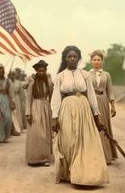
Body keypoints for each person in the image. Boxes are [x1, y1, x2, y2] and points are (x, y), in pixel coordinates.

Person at [51, 46, 108, 186]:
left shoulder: (85, 75)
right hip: (66, 108)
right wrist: (54, 117)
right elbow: (56, 97)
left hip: (83, 108)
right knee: (68, 140)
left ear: (78, 58)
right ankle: (68, 173)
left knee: (84, 141)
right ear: (65, 58)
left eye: (75, 56)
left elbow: (91, 96)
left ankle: (82, 174)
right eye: (69, 56)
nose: (72, 59)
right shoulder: (60, 76)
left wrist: (97, 115)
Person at [89, 50, 118, 164]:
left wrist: (113, 106)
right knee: (93, 127)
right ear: (91, 61)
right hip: (92, 102)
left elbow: (110, 91)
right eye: (94, 60)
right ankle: (93, 155)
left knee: (104, 126)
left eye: (98, 60)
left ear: (102, 61)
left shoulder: (106, 75)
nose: (96, 62)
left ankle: (106, 155)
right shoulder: (87, 74)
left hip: (103, 101)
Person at [25, 60, 53, 166]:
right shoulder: (32, 82)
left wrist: (53, 110)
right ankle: (35, 157)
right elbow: (28, 98)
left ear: (46, 71)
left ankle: (45, 158)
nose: (41, 73)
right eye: (39, 71)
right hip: (35, 106)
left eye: (43, 71)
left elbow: (52, 96)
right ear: (36, 71)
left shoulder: (49, 82)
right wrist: (28, 113)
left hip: (46, 107)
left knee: (45, 133)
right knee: (36, 132)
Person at [0, 63, 15, 141]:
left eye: (2, 70)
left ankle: (6, 135)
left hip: (6, 100)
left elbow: (12, 93)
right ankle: (0, 137)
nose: (0, 71)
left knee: (8, 119)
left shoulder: (8, 81)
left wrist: (12, 102)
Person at [8, 70, 22, 135]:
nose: (12, 76)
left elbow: (21, 93)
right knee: (11, 114)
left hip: (17, 98)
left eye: (13, 74)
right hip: (9, 98)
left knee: (16, 113)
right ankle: (11, 129)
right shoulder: (8, 82)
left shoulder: (18, 82)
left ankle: (17, 128)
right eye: (11, 74)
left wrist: (22, 101)